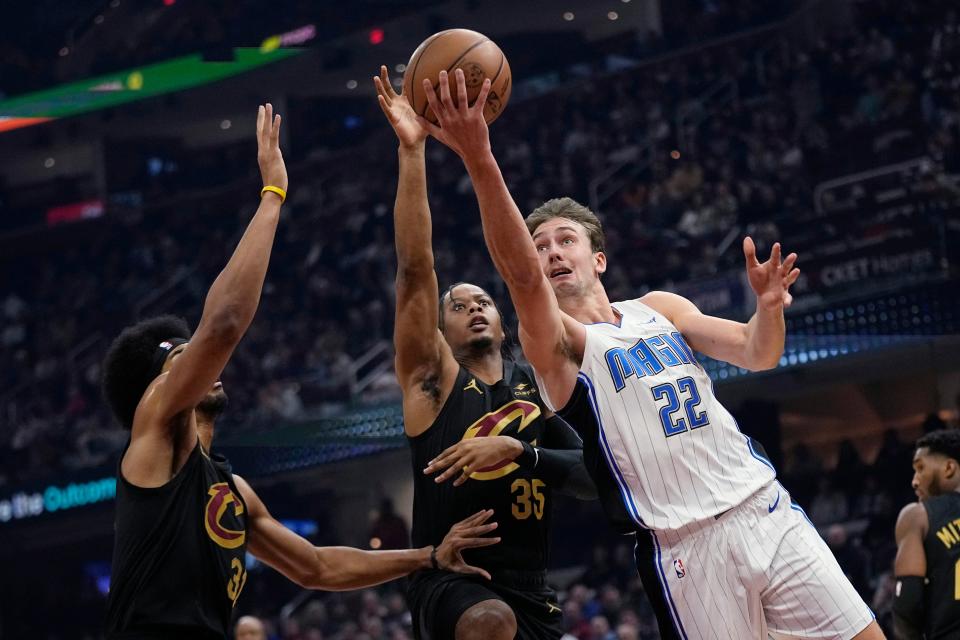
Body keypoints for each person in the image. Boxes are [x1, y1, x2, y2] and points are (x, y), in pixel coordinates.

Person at [417, 68, 885, 640]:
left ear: (599, 259)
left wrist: (768, 308)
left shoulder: (660, 306)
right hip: (687, 548)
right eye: (540, 247)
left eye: (566, 239)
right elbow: (517, 275)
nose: (552, 253)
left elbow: (757, 353)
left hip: (765, 507)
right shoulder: (558, 344)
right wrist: (478, 155)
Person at [101, 104, 498, 640]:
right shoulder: (156, 428)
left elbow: (316, 567)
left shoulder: (231, 490)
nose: (200, 362)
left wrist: (429, 555)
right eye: (180, 359)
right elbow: (222, 325)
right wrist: (272, 195)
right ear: (155, 388)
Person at [374, 67, 596, 640]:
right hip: (451, 581)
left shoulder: (540, 385)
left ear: (503, 321)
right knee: (490, 622)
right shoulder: (431, 381)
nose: (473, 307)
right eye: (457, 305)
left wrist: (521, 451)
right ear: (441, 332)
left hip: (534, 588)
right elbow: (416, 270)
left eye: (483, 302)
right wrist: (411, 152)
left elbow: (594, 477)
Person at [893, 429, 960, 639]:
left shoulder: (918, 516)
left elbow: (907, 606)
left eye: (920, 468)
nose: (914, 481)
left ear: (949, 468)